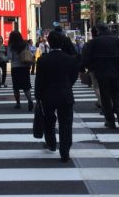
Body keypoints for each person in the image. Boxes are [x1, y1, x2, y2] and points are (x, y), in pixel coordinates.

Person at [82, 23, 119, 129]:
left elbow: (86, 58)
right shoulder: (117, 40)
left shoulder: (94, 42)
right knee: (116, 93)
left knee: (105, 96)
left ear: (97, 30)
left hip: (101, 71)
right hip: (116, 71)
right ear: (108, 29)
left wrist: (83, 69)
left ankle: (110, 120)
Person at [35, 31, 79, 163]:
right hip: (65, 93)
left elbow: (39, 80)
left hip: (47, 94)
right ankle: (65, 151)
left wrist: (38, 96)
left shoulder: (42, 60)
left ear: (49, 42)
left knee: (49, 120)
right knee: (66, 123)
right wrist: (67, 85)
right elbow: (74, 77)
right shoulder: (70, 59)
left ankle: (51, 143)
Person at [7, 30, 34, 111]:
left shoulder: (11, 46)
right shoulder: (25, 44)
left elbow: (9, 57)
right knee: (26, 86)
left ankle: (18, 103)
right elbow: (30, 54)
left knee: (16, 87)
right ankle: (30, 100)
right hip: (25, 66)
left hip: (15, 68)